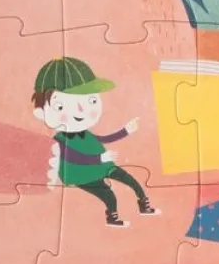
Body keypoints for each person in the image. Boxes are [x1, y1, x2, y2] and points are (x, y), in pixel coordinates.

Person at [31, 56, 160, 227]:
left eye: (91, 100)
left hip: (102, 166)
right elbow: (73, 157)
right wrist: (99, 158)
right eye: (60, 106)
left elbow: (103, 139)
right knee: (108, 194)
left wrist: (125, 131)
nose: (80, 110)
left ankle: (144, 205)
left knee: (130, 180)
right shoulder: (59, 140)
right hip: (81, 175)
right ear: (41, 112)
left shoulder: (85, 133)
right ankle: (112, 217)